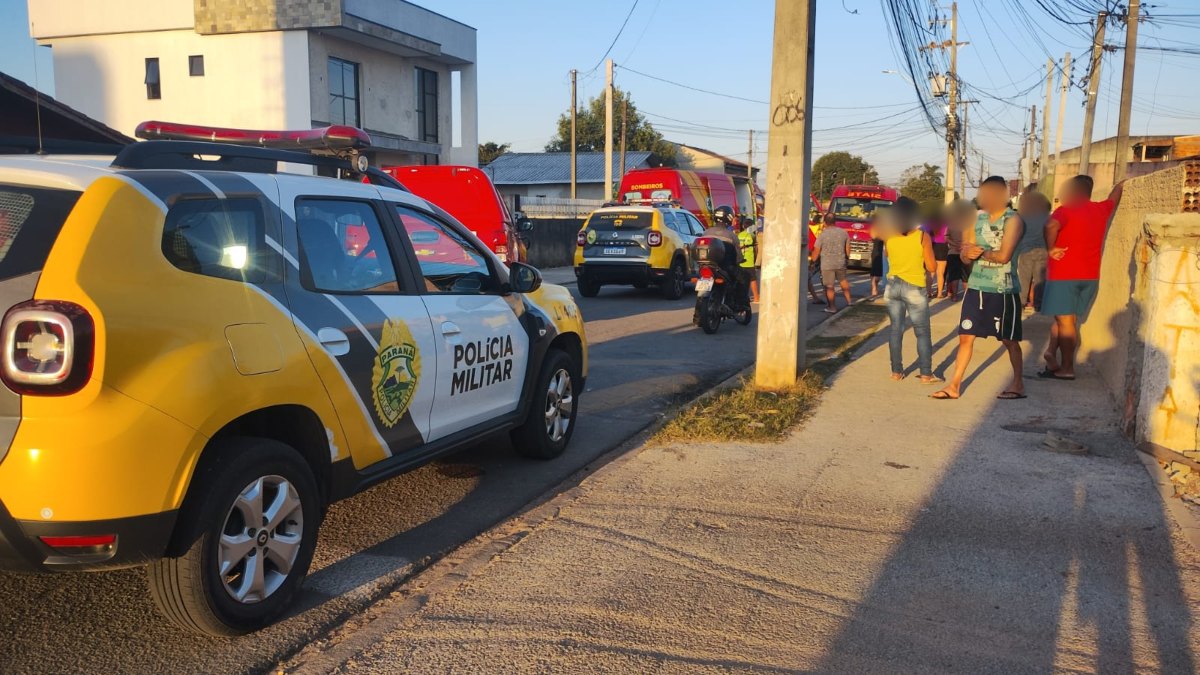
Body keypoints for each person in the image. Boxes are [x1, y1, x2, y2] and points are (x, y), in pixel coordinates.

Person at [933, 176, 1026, 401]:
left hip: (1003, 290)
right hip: (976, 288)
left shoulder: (1013, 220)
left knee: (1009, 340)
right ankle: (954, 385)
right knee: (965, 336)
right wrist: (967, 254)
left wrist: (981, 252)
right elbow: (965, 257)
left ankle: (1018, 383)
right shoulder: (974, 219)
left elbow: (1004, 257)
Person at [1039, 175, 1126, 380]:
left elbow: (1050, 226)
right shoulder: (1100, 209)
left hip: (1065, 275)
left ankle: (1067, 368)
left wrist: (1050, 248)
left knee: (1066, 322)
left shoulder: (1066, 210)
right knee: (1066, 319)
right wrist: (1121, 184)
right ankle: (1052, 353)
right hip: (1089, 276)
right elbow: (1114, 197)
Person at [880, 197, 939, 383]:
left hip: (892, 286)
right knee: (922, 331)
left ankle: (896, 372)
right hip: (914, 286)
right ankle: (926, 373)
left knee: (895, 330)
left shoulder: (888, 236)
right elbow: (931, 267)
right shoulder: (922, 236)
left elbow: (888, 255)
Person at [701, 205, 750, 307]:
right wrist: (739, 260)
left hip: (705, 265)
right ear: (729, 218)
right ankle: (740, 304)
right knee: (745, 276)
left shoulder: (706, 232)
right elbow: (738, 256)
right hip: (725, 267)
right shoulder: (731, 235)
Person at [1016, 185, 1051, 312]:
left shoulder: (1023, 216)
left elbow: (1018, 233)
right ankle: (1039, 304)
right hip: (1043, 250)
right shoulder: (1047, 217)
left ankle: (1021, 302)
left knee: (1024, 279)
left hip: (1026, 250)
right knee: (1040, 280)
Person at [810, 211, 852, 313]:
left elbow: (816, 251)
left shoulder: (822, 235)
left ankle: (832, 307)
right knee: (843, 281)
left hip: (827, 264)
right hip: (840, 262)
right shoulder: (843, 232)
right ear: (835, 221)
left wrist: (812, 262)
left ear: (824, 222)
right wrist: (847, 258)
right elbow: (848, 249)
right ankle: (849, 302)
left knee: (829, 286)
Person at [943, 199, 975, 301]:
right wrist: (964, 245)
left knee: (954, 275)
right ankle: (967, 297)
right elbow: (973, 238)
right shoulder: (970, 223)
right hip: (966, 253)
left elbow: (946, 238)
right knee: (966, 276)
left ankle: (955, 296)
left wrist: (954, 245)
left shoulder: (951, 223)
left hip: (953, 252)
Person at [922, 212, 950, 298]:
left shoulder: (927, 225)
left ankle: (928, 292)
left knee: (930, 272)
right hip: (942, 248)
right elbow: (946, 238)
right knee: (940, 273)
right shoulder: (945, 225)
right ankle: (939, 293)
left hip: (931, 247)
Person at [736, 215, 760, 303]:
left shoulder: (739, 235)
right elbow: (756, 249)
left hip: (740, 261)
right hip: (749, 260)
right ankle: (756, 297)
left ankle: (741, 298)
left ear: (743, 226)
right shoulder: (752, 235)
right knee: (752, 279)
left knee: (741, 280)